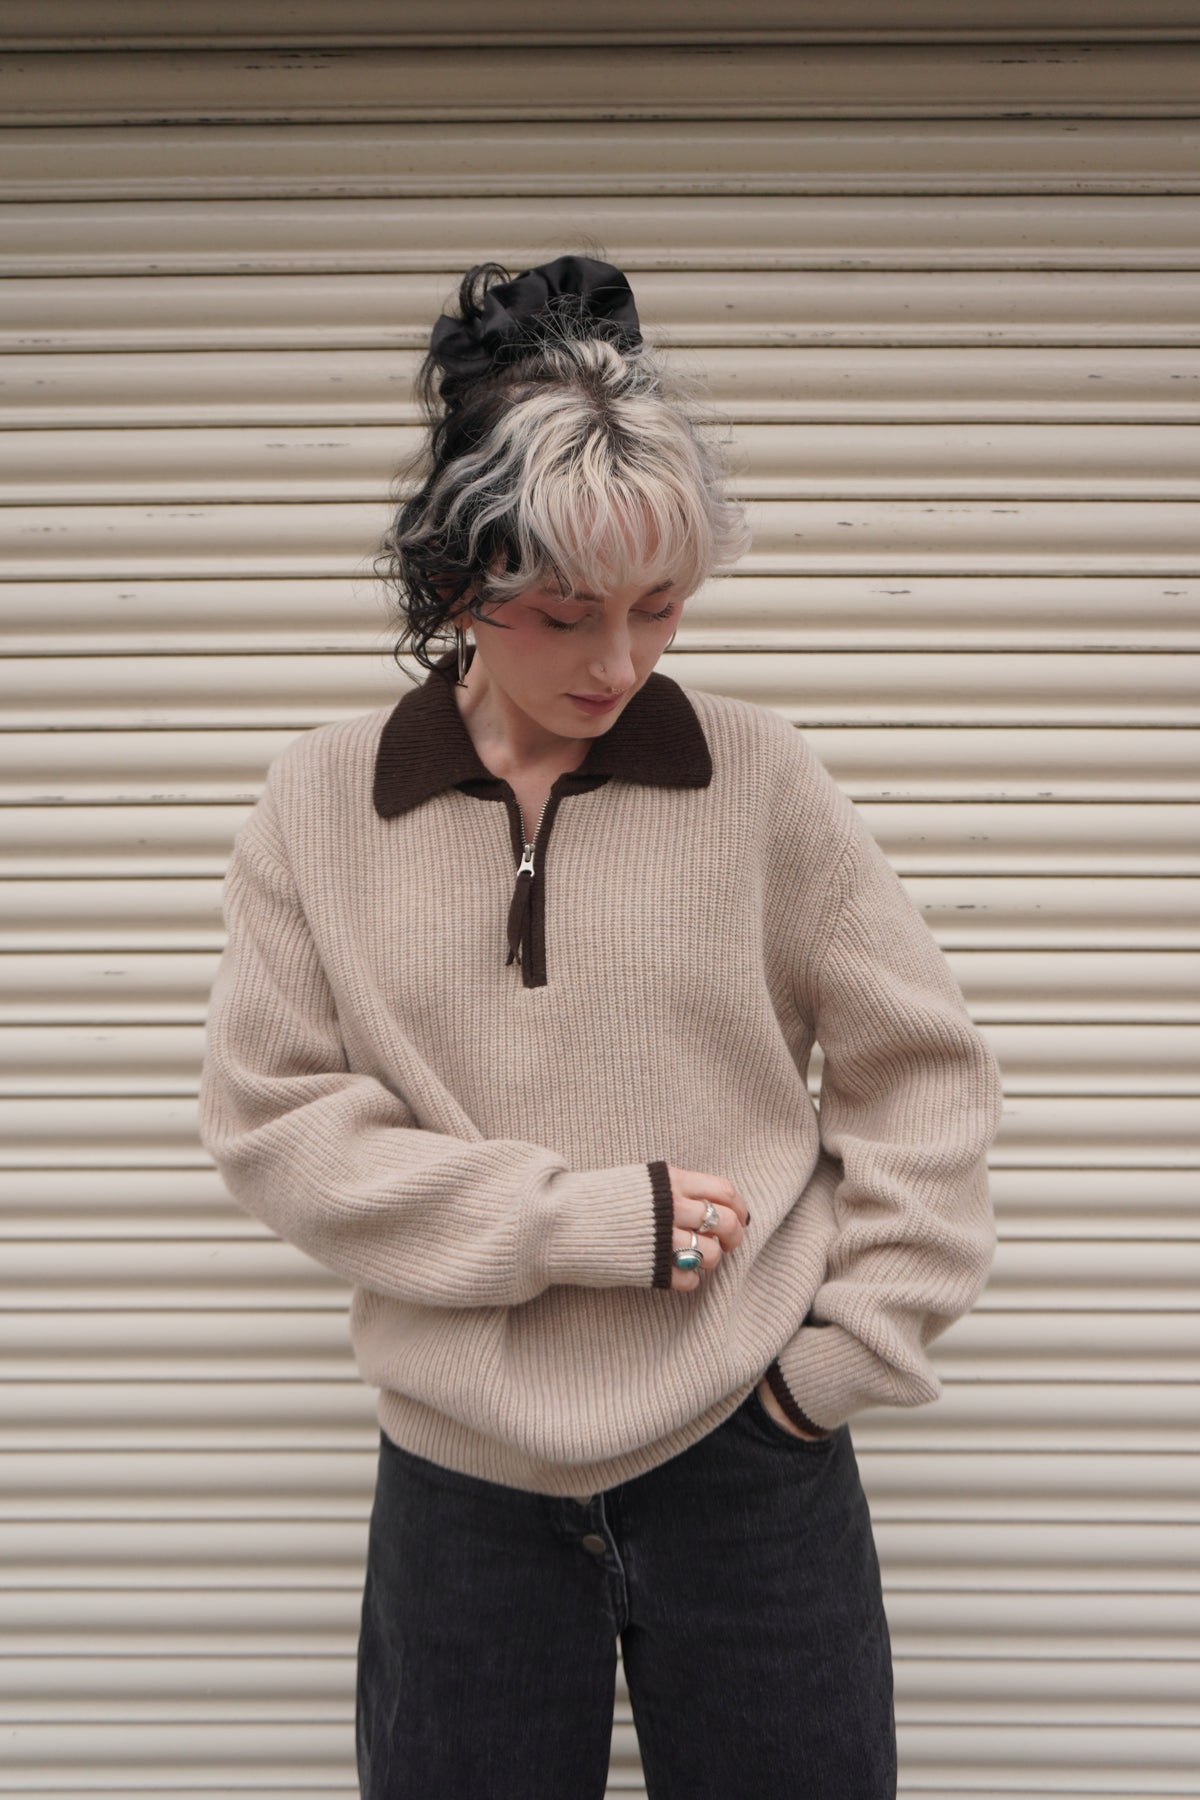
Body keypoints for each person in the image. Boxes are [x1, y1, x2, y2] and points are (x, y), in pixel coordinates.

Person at [198, 251, 1006, 1800]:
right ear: (458, 586)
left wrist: (835, 1368)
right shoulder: (318, 804)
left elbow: (923, 1074)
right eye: (566, 614)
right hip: (460, 1476)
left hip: (749, 1459)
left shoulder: (761, 783)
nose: (620, 663)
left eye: (659, 608)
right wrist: (567, 1221)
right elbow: (273, 1124)